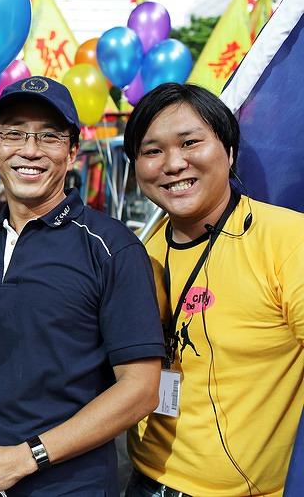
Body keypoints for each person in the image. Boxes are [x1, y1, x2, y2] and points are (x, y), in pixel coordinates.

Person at [0, 76, 165, 496]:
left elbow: (141, 389)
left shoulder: (111, 247)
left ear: (72, 150)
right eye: (14, 133)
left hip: (67, 485)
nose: (30, 149)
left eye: (49, 136)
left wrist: (27, 456)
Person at [123, 83, 304, 496]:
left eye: (190, 142)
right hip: (143, 479)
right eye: (152, 151)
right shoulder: (138, 254)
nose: (173, 164)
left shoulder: (287, 240)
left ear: (230, 151)